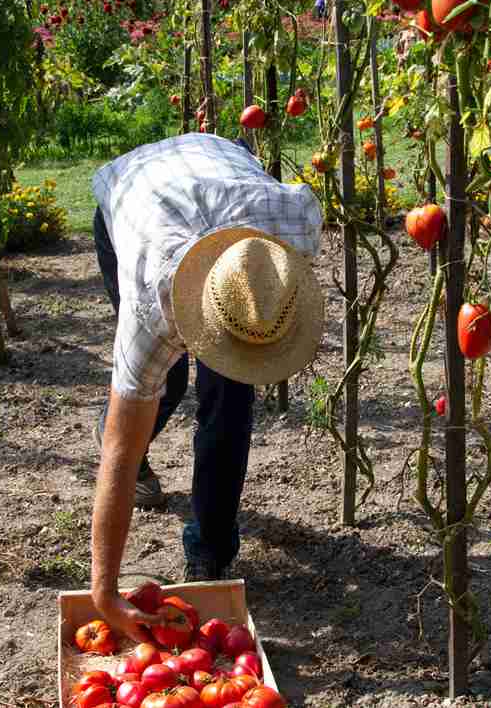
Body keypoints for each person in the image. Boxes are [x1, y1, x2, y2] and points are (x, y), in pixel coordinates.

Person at [88, 132, 325, 643]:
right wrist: (104, 593)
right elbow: (117, 456)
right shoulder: (152, 307)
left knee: (231, 400)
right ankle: (136, 431)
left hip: (216, 165)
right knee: (160, 386)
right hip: (134, 194)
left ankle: (211, 549)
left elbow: (259, 299)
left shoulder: (283, 245)